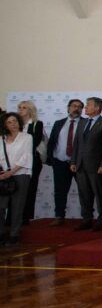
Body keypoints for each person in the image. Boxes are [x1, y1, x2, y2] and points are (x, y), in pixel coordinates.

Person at [70, 97, 102, 231]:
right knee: (84, 194)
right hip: (80, 165)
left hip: (96, 166)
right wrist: (73, 161)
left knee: (100, 194)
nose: (85, 107)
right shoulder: (82, 122)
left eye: (88, 105)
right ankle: (86, 219)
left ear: (97, 108)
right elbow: (77, 144)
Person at [45, 99, 83, 226]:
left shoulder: (85, 123)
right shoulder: (59, 123)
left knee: (84, 191)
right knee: (60, 191)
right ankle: (59, 216)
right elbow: (52, 141)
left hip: (79, 164)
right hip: (60, 162)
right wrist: (51, 159)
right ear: (68, 108)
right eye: (73, 106)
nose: (76, 108)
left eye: (79, 107)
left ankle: (86, 217)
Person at [1, 112, 34, 246]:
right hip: (2, 175)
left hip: (21, 174)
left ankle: (14, 235)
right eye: (9, 122)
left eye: (14, 121)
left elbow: (26, 157)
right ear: (4, 125)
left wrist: (11, 172)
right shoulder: (1, 138)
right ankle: (1, 233)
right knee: (1, 207)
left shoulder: (27, 137)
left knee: (17, 206)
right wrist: (3, 174)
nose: (13, 124)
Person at [17, 101, 44, 225]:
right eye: (19, 108)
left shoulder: (37, 124)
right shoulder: (15, 124)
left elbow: (35, 142)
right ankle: (12, 217)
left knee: (30, 189)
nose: (20, 110)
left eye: (24, 108)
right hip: (15, 161)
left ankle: (26, 217)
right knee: (15, 189)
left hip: (32, 161)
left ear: (30, 110)